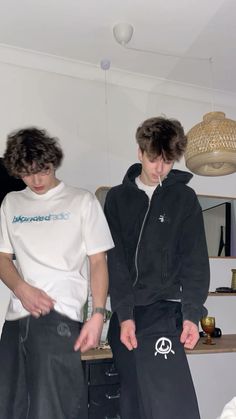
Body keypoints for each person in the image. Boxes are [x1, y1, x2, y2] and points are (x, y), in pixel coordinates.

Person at [0, 127, 114, 419]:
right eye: (26, 173)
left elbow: (98, 262)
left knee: (55, 410)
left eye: (42, 170)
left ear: (53, 162)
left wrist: (97, 315)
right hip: (15, 321)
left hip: (59, 317)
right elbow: (2, 258)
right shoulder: (12, 203)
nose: (35, 180)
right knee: (10, 407)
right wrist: (21, 288)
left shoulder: (82, 201)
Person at [104, 116, 210, 419]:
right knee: (134, 403)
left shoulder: (184, 199)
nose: (159, 168)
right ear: (140, 153)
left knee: (172, 406)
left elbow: (195, 261)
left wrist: (191, 316)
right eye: (153, 159)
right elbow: (116, 263)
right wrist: (124, 316)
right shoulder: (117, 199)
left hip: (164, 311)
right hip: (126, 316)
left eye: (167, 161)